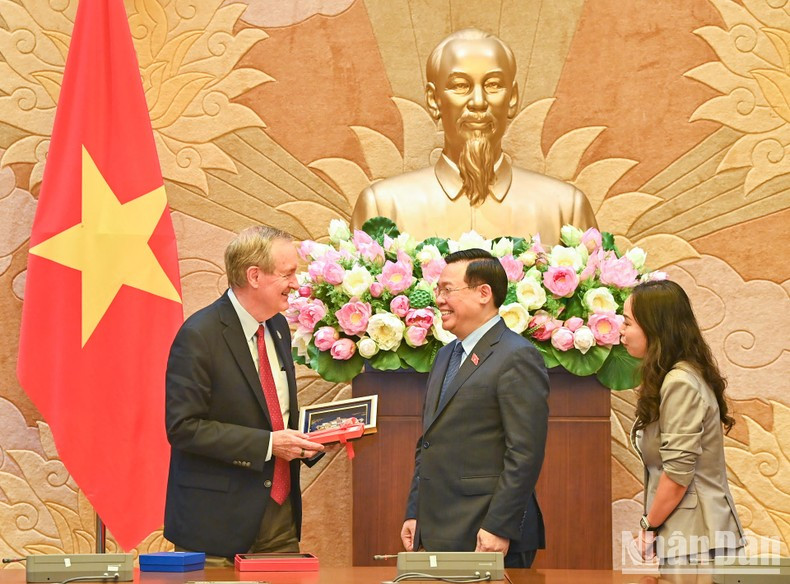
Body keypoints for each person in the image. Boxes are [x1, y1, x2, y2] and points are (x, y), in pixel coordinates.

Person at [164, 226, 325, 561]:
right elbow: (184, 428)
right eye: (288, 274)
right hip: (215, 523)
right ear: (254, 275)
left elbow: (270, 410)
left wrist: (309, 439)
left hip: (279, 516)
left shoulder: (278, 326)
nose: (296, 284)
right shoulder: (199, 336)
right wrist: (269, 445)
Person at [351, 28, 597, 243]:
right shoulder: (382, 207)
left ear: (512, 99)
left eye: (493, 85)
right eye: (460, 86)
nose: (478, 102)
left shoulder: (566, 209)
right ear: (433, 100)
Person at [401, 249, 549, 568]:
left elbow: (524, 452)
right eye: (437, 289)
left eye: (447, 289)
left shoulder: (516, 356)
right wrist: (416, 512)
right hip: (440, 526)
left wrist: (499, 526)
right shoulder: (446, 356)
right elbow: (429, 442)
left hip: (488, 531)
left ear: (484, 293)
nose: (439, 299)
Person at [622, 280, 744, 564]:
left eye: (627, 323)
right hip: (690, 537)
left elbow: (677, 476)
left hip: (698, 539)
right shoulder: (679, 376)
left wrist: (647, 526)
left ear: (655, 328)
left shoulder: (680, 383)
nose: (621, 332)